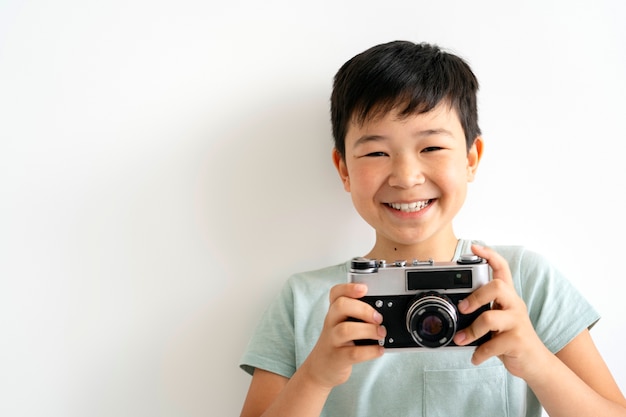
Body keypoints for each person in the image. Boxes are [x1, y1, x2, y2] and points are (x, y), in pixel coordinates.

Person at [238, 41, 626, 417]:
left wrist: (536, 362)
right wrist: (316, 377)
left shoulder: (521, 281)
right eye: (376, 153)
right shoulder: (304, 301)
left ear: (471, 158)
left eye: (432, 148)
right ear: (344, 170)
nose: (406, 177)